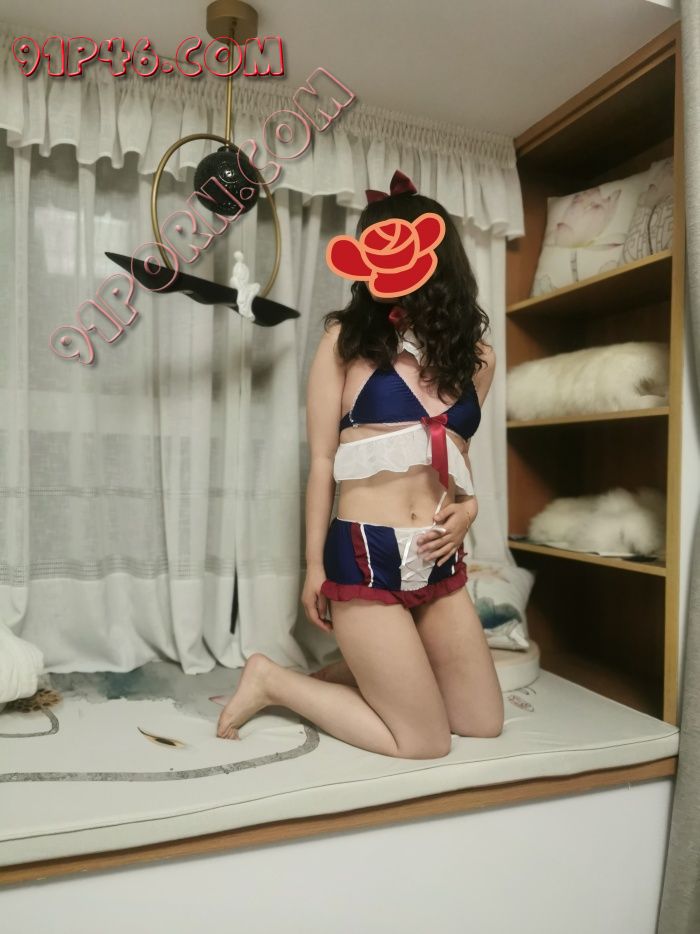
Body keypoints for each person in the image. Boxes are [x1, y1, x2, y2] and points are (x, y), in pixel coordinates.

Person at [216, 172, 504, 757]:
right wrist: (313, 568)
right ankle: (271, 679)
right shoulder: (345, 341)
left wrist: (470, 510)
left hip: (439, 558)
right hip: (366, 556)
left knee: (481, 722)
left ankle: (375, 673)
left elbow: (457, 458)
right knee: (424, 742)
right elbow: (322, 460)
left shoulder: (478, 358)